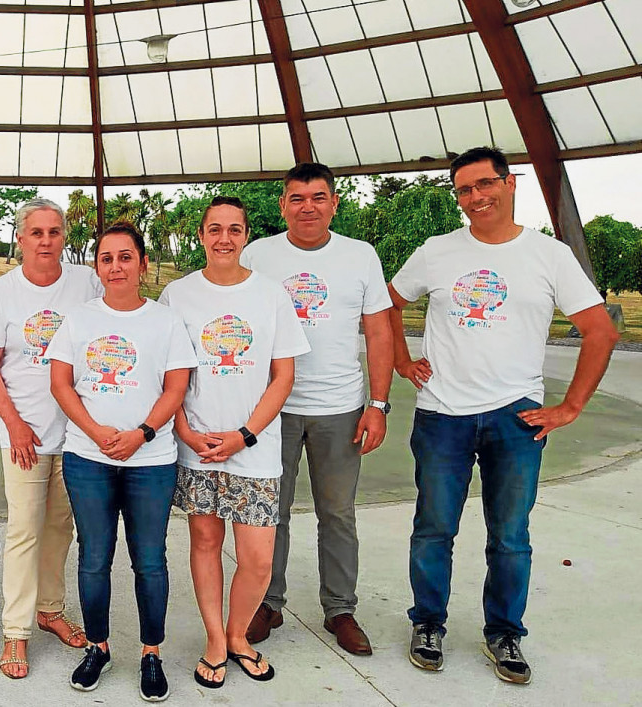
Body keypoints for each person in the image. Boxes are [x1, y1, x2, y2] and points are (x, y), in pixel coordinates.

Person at [389, 147, 618, 684]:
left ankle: (505, 633)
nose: (476, 197)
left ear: (510, 184)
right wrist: (402, 359)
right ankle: (427, 623)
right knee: (433, 529)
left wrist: (570, 407)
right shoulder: (436, 251)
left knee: (510, 535)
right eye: (464, 190)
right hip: (441, 413)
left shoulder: (550, 256)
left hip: (516, 417)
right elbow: (388, 303)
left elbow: (601, 331)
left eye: (485, 184)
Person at [241, 163, 393, 655]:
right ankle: (268, 600)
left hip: (340, 407)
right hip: (272, 409)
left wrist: (378, 404)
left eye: (319, 197)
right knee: (271, 511)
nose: (309, 207)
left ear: (334, 203)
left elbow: (379, 331)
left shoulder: (361, 256)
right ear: (283, 204)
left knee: (338, 512)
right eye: (298, 198)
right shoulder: (258, 255)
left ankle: (340, 608)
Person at [160, 198, 310, 688]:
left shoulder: (271, 295)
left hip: (256, 449)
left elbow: (282, 375)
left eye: (234, 229)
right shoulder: (177, 296)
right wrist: (184, 430)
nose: (224, 238)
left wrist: (245, 434)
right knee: (205, 542)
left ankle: (238, 633)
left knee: (258, 557)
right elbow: (169, 376)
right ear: (201, 235)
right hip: (198, 445)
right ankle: (214, 640)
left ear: (246, 235)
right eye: (215, 229)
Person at [50, 223, 197, 702]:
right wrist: (96, 433)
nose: (116, 266)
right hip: (88, 458)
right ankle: (97, 647)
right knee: (94, 559)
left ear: (142, 264)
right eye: (107, 258)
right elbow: (62, 384)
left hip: (151, 461)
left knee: (150, 561)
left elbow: (176, 387)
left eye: (125, 257)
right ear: (98, 267)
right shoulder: (79, 320)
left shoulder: (165, 321)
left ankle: (150, 654)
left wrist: (141, 434)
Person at [0, 199, 100, 678]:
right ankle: (16, 631)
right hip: (23, 433)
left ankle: (49, 610)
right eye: (36, 233)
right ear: (20, 239)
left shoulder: (86, 282)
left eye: (54, 232)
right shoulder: (2, 293)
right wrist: (15, 423)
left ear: (64, 237)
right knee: (24, 530)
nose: (46, 241)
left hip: (78, 434)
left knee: (60, 528)